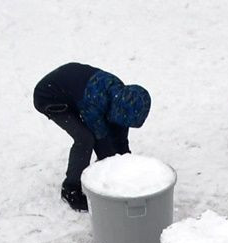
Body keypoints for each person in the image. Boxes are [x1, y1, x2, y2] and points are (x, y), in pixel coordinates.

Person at [32, 63, 151, 211]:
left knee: (110, 130)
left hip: (75, 91)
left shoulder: (123, 97)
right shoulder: (94, 102)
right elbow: (101, 140)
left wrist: (125, 160)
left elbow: (120, 131)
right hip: (49, 96)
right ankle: (70, 189)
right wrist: (115, 171)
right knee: (85, 139)